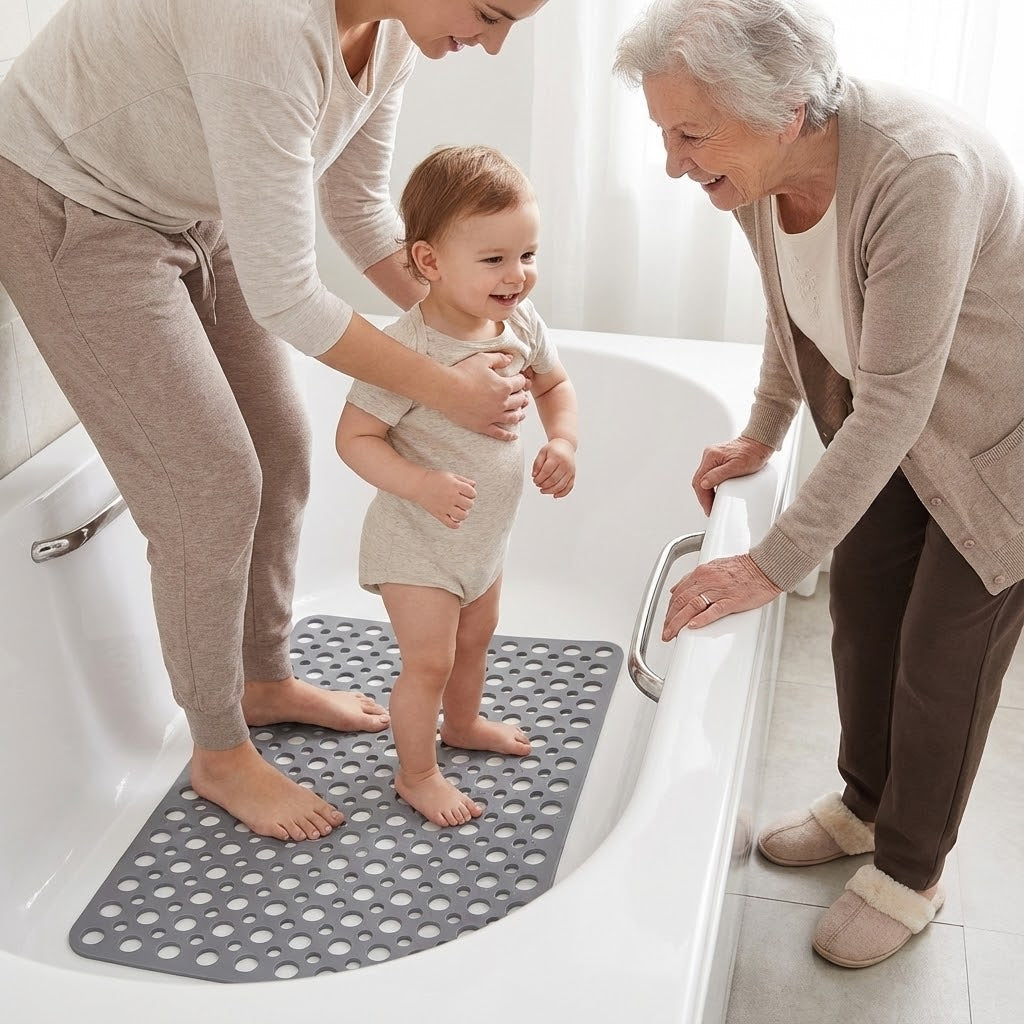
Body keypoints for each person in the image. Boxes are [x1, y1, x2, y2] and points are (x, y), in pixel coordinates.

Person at [0, 0, 549, 844]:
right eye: (490, 11)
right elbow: (290, 297)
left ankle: (263, 680)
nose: (496, 42)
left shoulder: (390, 34)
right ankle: (220, 753)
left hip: (190, 203)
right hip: (70, 203)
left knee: (281, 448)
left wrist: (472, 325)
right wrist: (446, 386)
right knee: (211, 489)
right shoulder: (264, 26)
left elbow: (358, 210)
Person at [614, 0, 1024, 968]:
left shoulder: (919, 172)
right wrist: (761, 430)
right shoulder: (758, 174)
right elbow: (789, 309)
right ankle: (863, 805)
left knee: (941, 657)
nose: (673, 164)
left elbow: (894, 402)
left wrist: (767, 563)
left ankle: (910, 872)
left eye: (689, 135)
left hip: (996, 443)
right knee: (863, 608)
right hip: (898, 420)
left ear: (786, 110)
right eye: (664, 134)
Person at [336, 145, 578, 827]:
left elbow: (555, 384)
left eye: (527, 254)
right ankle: (416, 775)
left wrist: (563, 440)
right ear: (430, 261)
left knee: (476, 641)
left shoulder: (519, 322)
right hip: (417, 543)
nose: (517, 274)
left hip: (482, 540)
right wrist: (420, 485)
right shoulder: (406, 350)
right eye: (495, 258)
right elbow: (354, 439)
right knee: (429, 664)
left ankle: (463, 725)